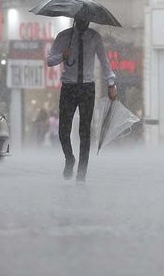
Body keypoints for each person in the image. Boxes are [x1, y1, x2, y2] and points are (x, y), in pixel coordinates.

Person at [47, 19, 117, 183]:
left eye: (88, 18)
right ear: (76, 18)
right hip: (69, 87)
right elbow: (50, 60)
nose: (85, 21)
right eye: (82, 17)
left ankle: (82, 173)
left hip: (87, 88)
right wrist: (62, 56)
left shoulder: (94, 37)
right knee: (63, 131)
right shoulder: (64, 37)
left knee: (84, 133)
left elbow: (104, 61)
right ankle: (69, 158)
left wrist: (111, 82)